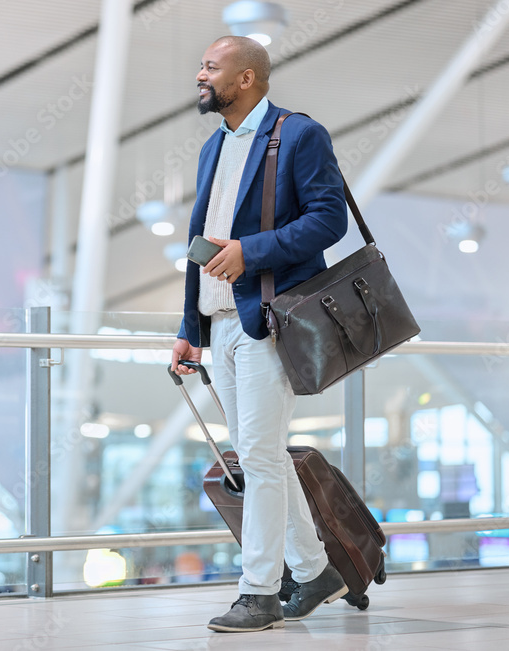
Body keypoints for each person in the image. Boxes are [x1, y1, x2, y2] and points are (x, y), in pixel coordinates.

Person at [170, 35, 349, 633]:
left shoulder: (299, 135)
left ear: (245, 78)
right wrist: (189, 328)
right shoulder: (213, 148)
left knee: (261, 458)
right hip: (221, 323)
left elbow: (329, 219)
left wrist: (254, 250)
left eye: (210, 67)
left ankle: (260, 591)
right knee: (260, 455)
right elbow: (202, 245)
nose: (200, 74)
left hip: (272, 319)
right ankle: (317, 570)